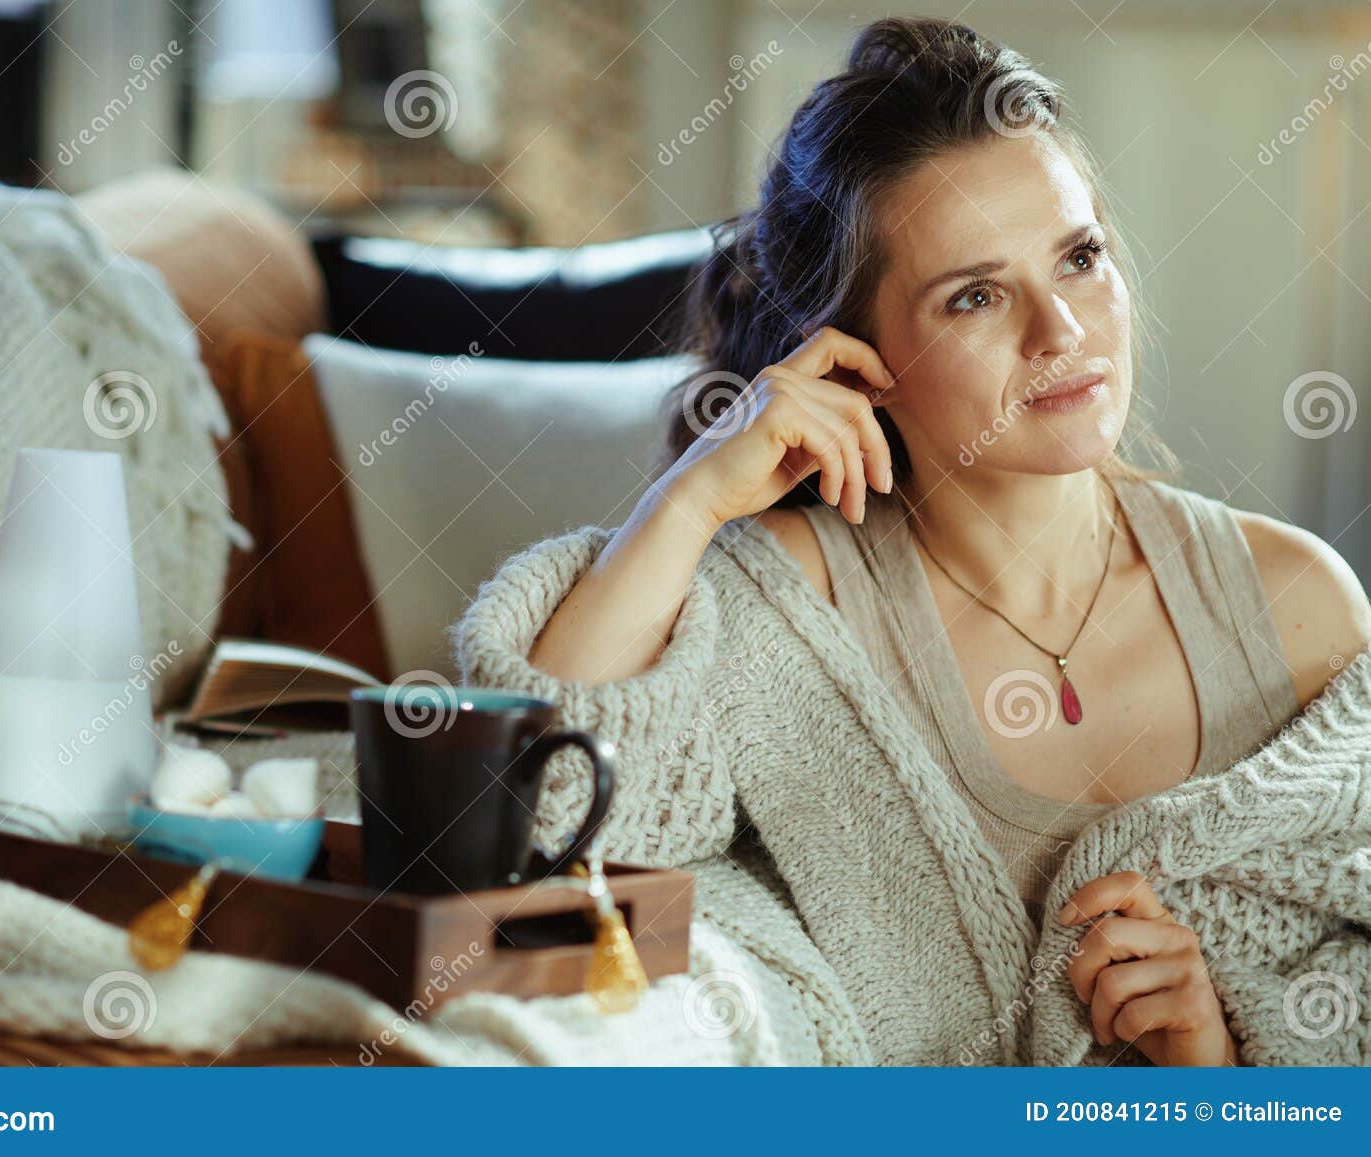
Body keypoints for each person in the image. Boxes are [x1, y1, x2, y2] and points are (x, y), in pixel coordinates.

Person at [453, 16, 1371, 1066]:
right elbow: (527, 819)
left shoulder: (1297, 605)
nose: (1061, 333)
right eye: (975, 295)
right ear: (853, 353)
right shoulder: (789, 610)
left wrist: (1215, 1070)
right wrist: (692, 497)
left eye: (1078, 257)